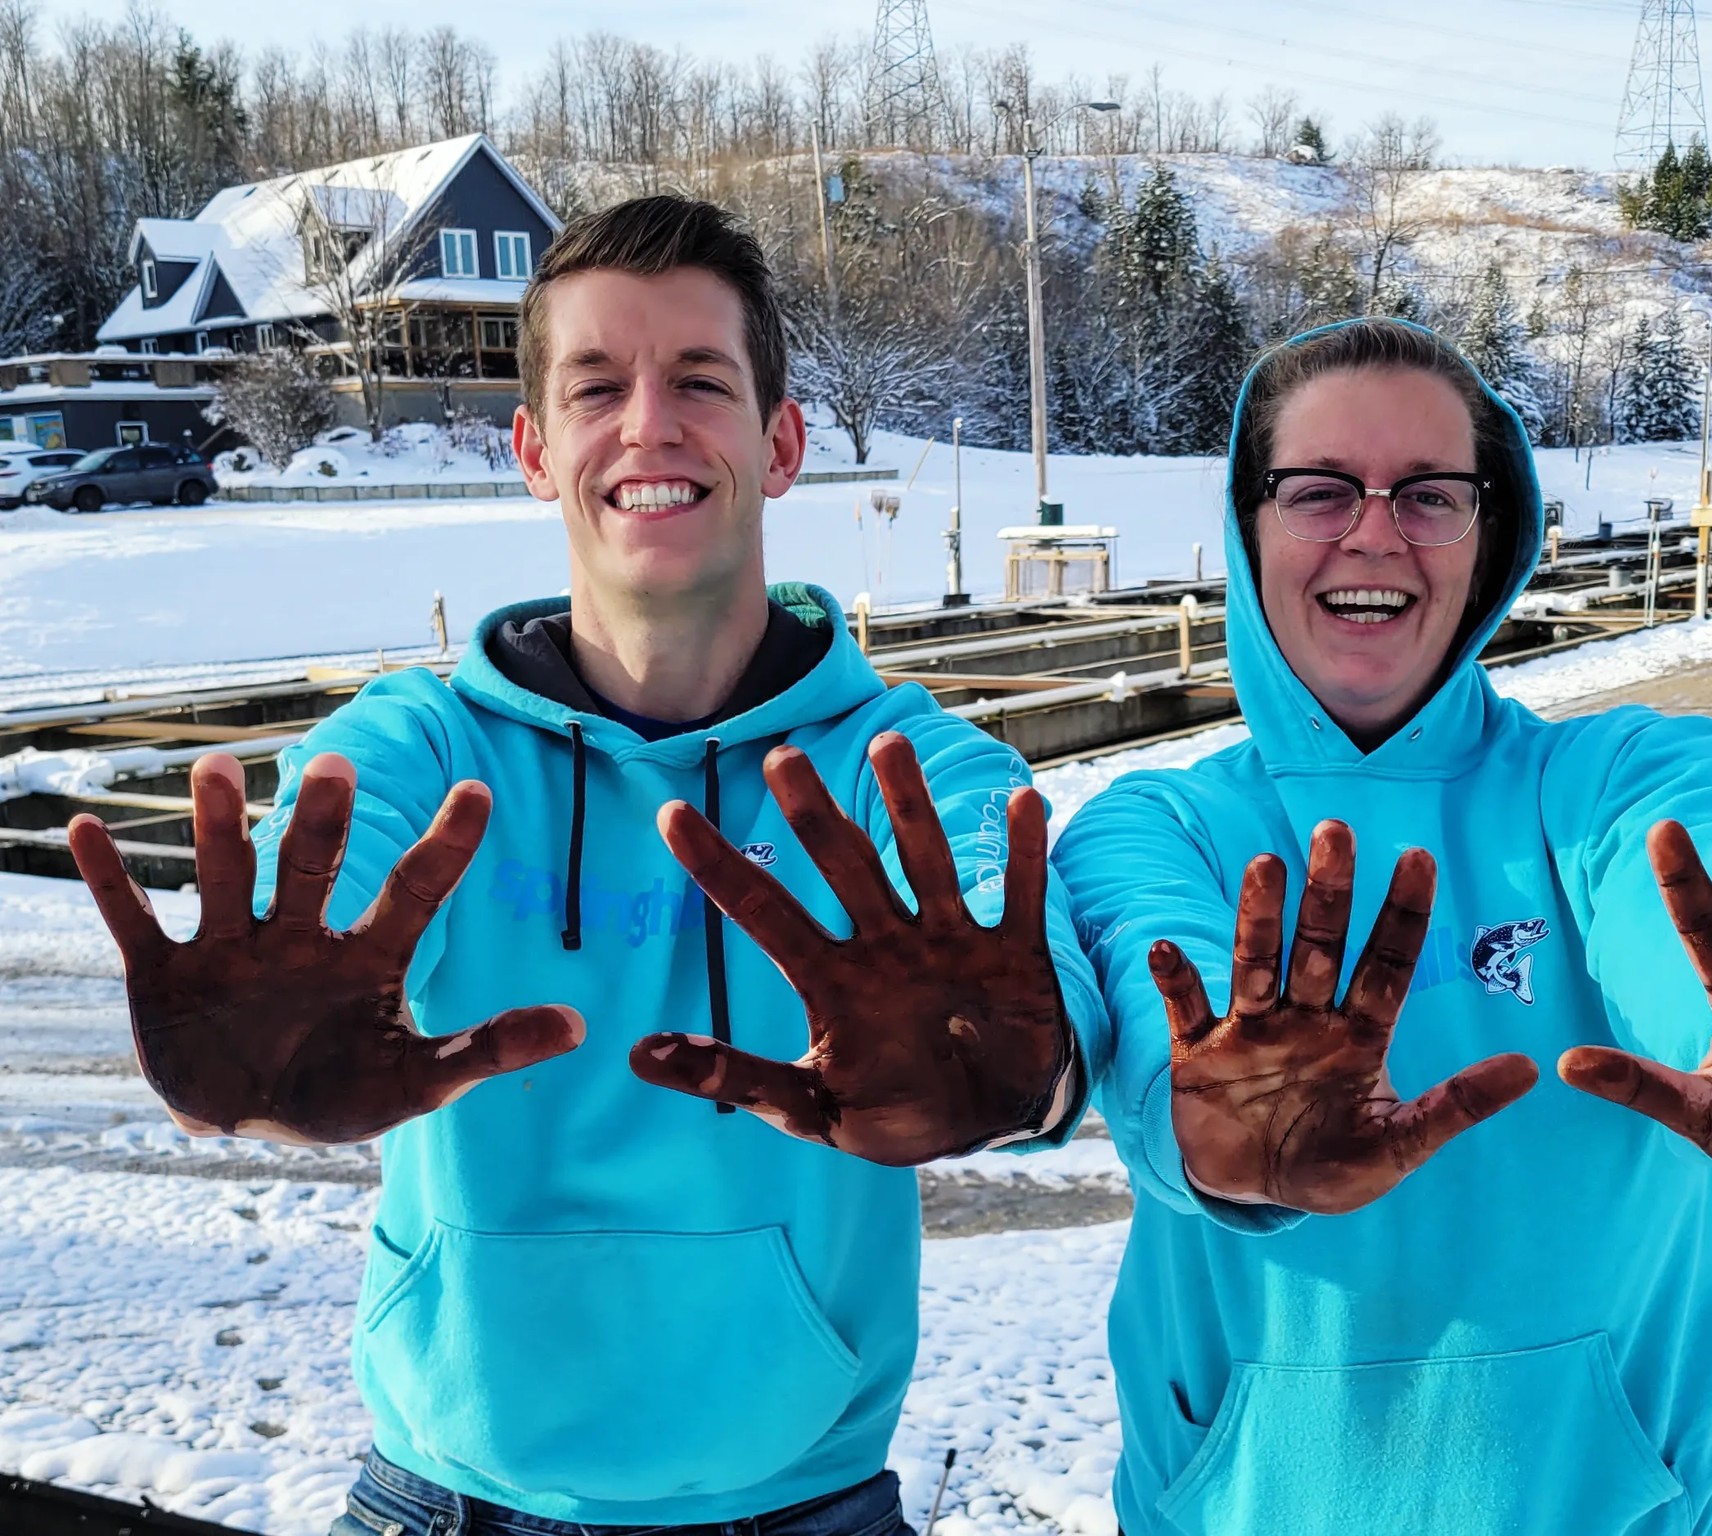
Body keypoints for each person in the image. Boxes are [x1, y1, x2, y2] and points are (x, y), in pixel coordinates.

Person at [68, 195, 1104, 1536]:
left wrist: (1028, 1067)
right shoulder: (418, 745)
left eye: (701, 382)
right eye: (598, 385)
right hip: (441, 1504)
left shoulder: (904, 768)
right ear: (533, 448)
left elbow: (1023, 957)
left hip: (803, 1507)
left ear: (782, 441)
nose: (650, 426)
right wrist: (261, 1031)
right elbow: (326, 856)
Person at [1051, 317, 1712, 1536]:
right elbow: (1136, 967)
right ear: (1246, 524)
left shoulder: (1612, 771)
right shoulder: (1151, 823)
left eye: (1429, 494)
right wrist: (1206, 1131)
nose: (1373, 531)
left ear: (1491, 532)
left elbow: (1676, 877)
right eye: (1319, 490)